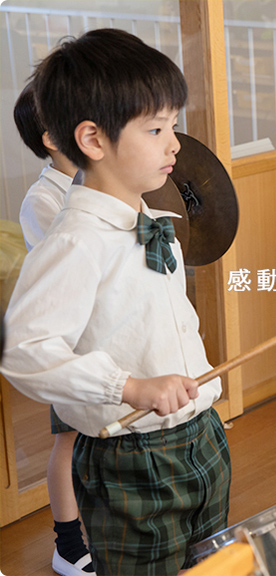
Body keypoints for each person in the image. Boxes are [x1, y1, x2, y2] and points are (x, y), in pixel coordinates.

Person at [2, 28, 230, 576]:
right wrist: (127, 388)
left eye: (173, 125)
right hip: (132, 458)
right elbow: (24, 351)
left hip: (201, 434)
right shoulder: (75, 239)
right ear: (93, 140)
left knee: (215, 566)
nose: (174, 144)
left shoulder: (153, 219)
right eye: (155, 129)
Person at [13, 83, 93, 576]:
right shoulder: (42, 200)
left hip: (110, 334)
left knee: (97, 439)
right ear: (50, 136)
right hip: (71, 342)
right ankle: (67, 544)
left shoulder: (97, 182)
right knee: (70, 441)